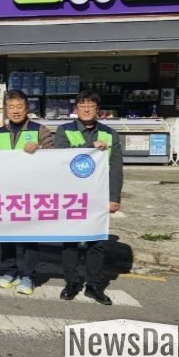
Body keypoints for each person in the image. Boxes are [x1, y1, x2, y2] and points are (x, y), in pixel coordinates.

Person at [54, 90, 123, 306]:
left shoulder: (110, 134)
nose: (86, 109)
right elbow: (60, 156)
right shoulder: (64, 130)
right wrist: (89, 147)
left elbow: (116, 168)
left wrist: (114, 197)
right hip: (71, 196)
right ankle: (71, 282)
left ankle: (94, 286)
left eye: (91, 105)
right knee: (70, 242)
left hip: (97, 196)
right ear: (76, 109)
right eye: (82, 105)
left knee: (97, 243)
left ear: (98, 110)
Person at [0, 90, 53, 295]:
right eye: (11, 107)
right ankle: (10, 271)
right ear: (6, 110)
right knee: (6, 234)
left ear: (27, 108)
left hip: (30, 192)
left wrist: (40, 147)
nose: (15, 111)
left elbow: (55, 156)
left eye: (19, 107)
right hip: (4, 192)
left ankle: (28, 276)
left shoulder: (40, 130)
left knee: (29, 236)